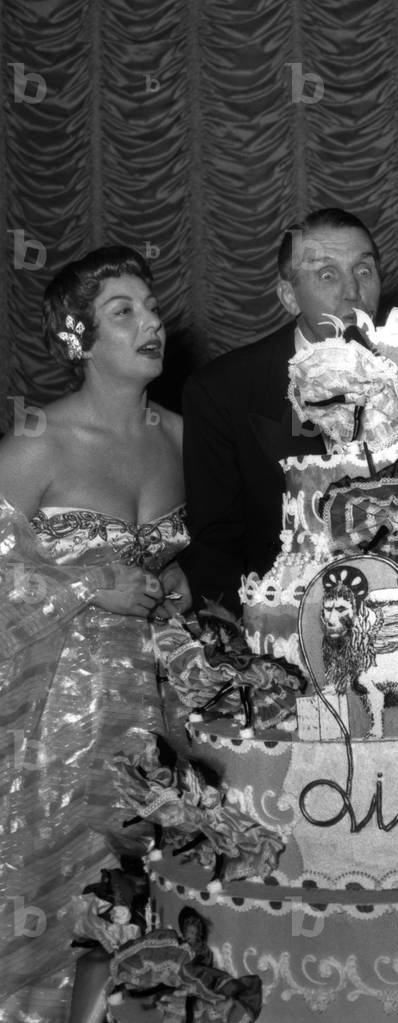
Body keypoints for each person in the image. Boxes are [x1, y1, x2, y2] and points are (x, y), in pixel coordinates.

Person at [0, 246, 190, 1020]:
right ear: (78, 337)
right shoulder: (35, 442)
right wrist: (87, 584)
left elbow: (192, 564)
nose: (151, 323)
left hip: (169, 720)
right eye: (124, 311)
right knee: (64, 917)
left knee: (155, 917)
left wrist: (177, 582)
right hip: (59, 732)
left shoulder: (180, 435)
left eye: (151, 307)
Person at [179, 208, 382, 614]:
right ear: (289, 296)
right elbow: (217, 548)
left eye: (364, 271)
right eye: (327, 275)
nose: (352, 292)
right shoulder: (222, 390)